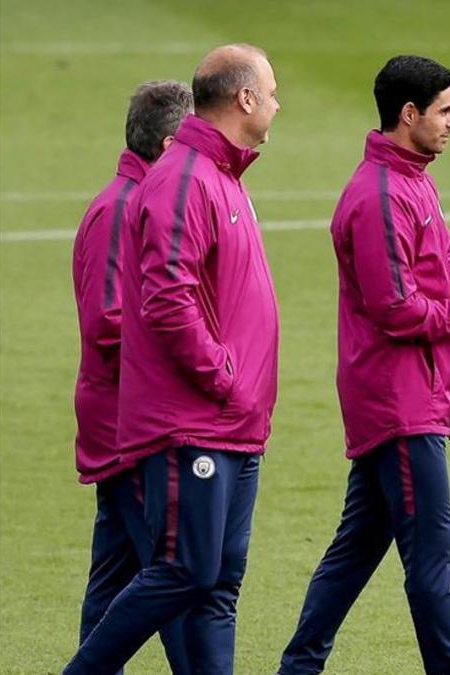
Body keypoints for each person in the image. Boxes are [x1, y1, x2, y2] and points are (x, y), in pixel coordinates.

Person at [278, 55, 450, 675]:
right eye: (445, 110)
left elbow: (443, 263)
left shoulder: (413, 180)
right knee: (431, 557)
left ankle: (298, 667)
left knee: (354, 553)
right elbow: (395, 309)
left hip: (408, 399)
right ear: (408, 114)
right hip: (399, 405)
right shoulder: (381, 195)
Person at [65, 43, 281, 674]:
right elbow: (136, 312)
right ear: (243, 98)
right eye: (270, 90)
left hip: (222, 418)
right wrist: (221, 372)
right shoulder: (158, 192)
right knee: (185, 570)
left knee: (160, 577)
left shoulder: (221, 179)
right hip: (176, 419)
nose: (277, 102)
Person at [71, 79, 194, 675]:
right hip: (129, 427)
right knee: (174, 577)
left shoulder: (136, 201)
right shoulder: (123, 209)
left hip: (126, 422)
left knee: (118, 576)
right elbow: (106, 321)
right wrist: (189, 346)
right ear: (171, 145)